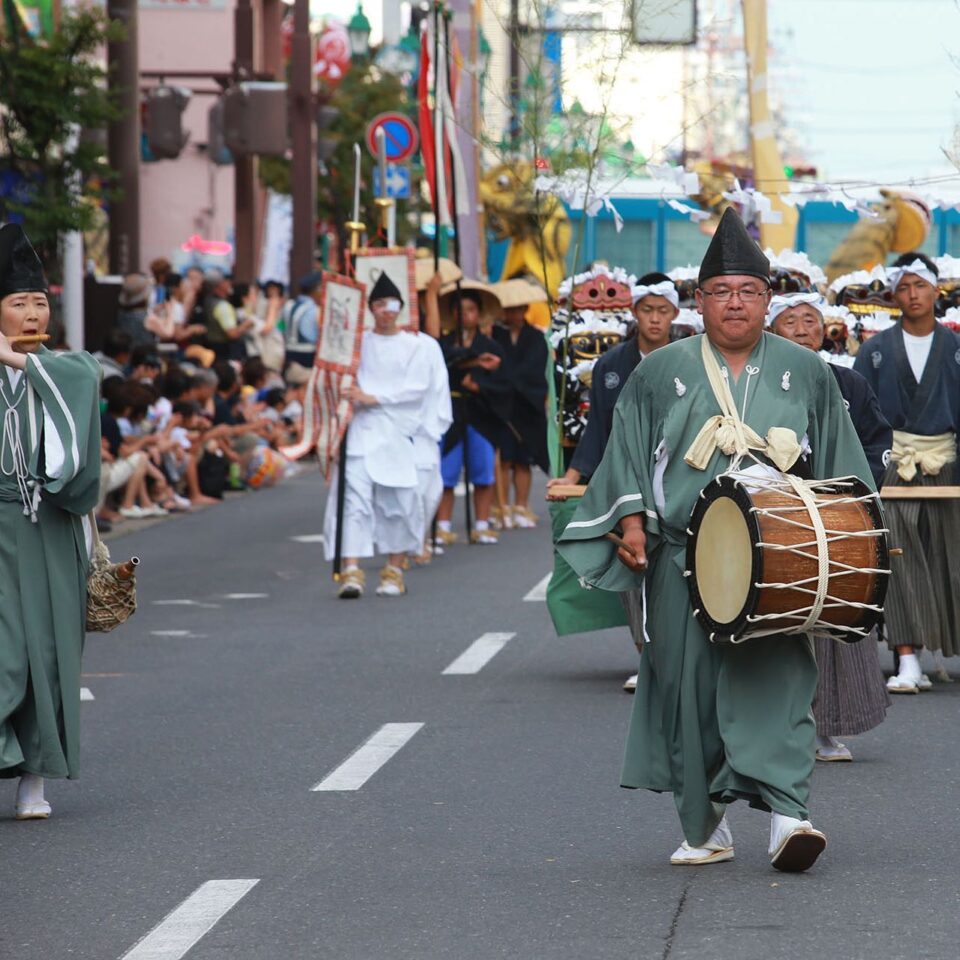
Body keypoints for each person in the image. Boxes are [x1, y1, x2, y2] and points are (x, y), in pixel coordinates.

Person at [558, 209, 874, 872]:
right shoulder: (658, 372)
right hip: (681, 554)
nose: (735, 302)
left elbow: (842, 466)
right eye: (722, 291)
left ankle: (790, 816)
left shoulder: (806, 371)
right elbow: (628, 455)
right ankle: (704, 825)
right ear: (698, 302)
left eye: (749, 291)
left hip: (781, 555)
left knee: (782, 680)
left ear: (768, 299)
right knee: (686, 689)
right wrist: (633, 523)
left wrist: (850, 549)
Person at [0, 224, 102, 819]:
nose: (33, 312)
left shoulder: (68, 368)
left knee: (49, 652)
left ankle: (33, 780)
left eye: (39, 302)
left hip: (51, 527)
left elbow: (81, 382)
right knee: (8, 652)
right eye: (18, 303)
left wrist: (14, 358)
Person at [769, 292, 891, 761]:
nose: (802, 329)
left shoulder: (850, 382)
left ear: (826, 329)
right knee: (775, 617)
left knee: (834, 614)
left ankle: (826, 728)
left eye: (810, 320)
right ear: (772, 329)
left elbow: (876, 439)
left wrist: (853, 493)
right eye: (790, 321)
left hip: (837, 515)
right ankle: (773, 725)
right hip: (776, 514)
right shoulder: (756, 382)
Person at [548, 271, 678, 692]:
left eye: (662, 311)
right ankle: (647, 658)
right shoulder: (610, 365)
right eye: (647, 310)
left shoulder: (689, 357)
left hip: (676, 474)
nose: (654, 319)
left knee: (674, 570)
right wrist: (570, 478)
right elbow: (598, 429)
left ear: (675, 313)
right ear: (634, 312)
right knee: (633, 565)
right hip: (625, 477)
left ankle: (679, 656)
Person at [853, 252, 960, 693]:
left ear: (937, 290)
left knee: (951, 559)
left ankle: (941, 649)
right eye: (904, 286)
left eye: (921, 285)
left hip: (948, 464)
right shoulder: (876, 350)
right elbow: (860, 412)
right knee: (899, 560)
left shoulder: (954, 348)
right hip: (893, 465)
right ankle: (907, 655)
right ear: (894, 294)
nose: (913, 294)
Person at [324, 271, 435, 598]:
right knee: (353, 502)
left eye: (392, 304)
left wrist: (375, 398)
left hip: (396, 433)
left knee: (398, 503)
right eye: (381, 304)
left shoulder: (415, 346)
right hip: (360, 432)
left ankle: (394, 569)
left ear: (401, 307)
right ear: (371, 307)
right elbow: (337, 380)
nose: (387, 310)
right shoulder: (357, 344)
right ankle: (352, 570)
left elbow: (418, 388)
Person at [436, 289, 511, 545]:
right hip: (451, 411)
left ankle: (481, 523)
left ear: (478, 314)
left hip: (481, 413)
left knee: (482, 471)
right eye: (459, 310)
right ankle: (442, 525)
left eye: (469, 310)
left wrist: (480, 386)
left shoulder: (490, 346)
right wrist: (469, 363)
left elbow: (504, 383)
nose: (464, 315)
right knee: (446, 473)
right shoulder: (444, 344)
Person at [491, 279, 550, 529]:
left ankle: (521, 505)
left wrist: (510, 378)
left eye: (518, 309)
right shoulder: (494, 335)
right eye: (509, 310)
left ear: (525, 309)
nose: (513, 314)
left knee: (523, 460)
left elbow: (535, 369)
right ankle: (501, 505)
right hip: (502, 405)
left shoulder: (536, 337)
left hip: (527, 406)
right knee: (503, 458)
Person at [201, 269, 254, 362]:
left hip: (212, 347)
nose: (229, 283)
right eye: (225, 281)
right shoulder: (222, 306)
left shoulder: (207, 300)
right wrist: (246, 325)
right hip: (225, 352)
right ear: (219, 286)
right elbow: (232, 333)